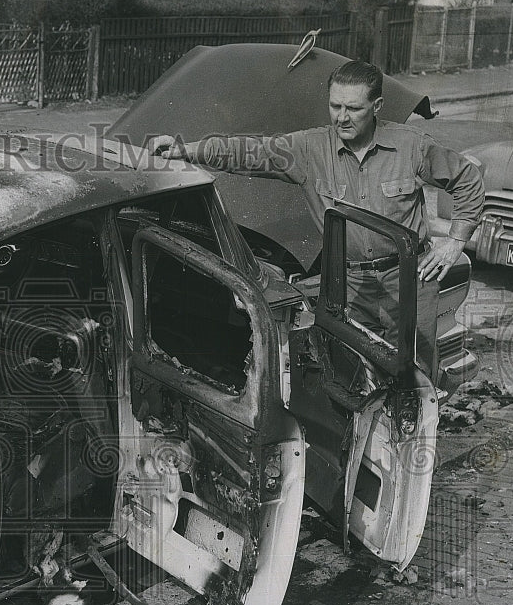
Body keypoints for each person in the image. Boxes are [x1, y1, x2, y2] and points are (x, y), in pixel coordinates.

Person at [148, 60, 485, 378]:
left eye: (353, 108)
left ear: (377, 106)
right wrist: (185, 150)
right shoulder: (310, 149)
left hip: (409, 282)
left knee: (415, 379)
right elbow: (249, 152)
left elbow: (467, 180)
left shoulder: (412, 146)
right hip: (349, 288)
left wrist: (455, 242)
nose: (342, 117)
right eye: (335, 106)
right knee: (353, 380)